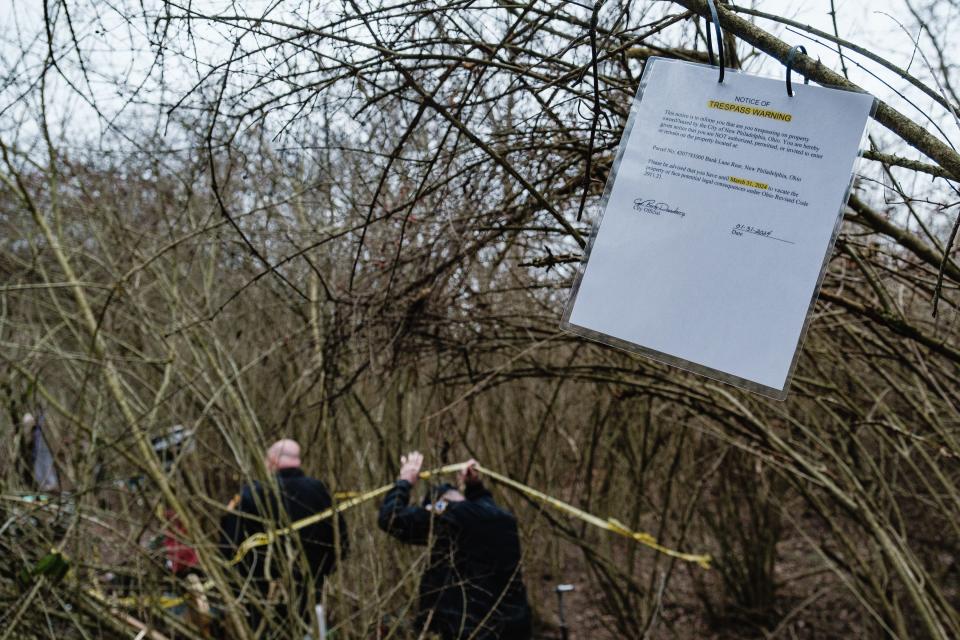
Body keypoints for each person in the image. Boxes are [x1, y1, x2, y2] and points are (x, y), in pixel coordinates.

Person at [378, 452, 533, 640]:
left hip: (474, 631)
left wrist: (405, 481)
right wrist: (475, 487)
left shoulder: (452, 516)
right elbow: (483, 507)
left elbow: (391, 518)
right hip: (514, 629)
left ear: (439, 505)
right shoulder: (502, 519)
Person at [220, 439, 348, 633]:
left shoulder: (254, 493)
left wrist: (241, 582)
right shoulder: (319, 491)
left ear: (271, 461)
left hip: (262, 596)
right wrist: (323, 570)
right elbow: (342, 542)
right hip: (311, 591)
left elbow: (229, 546)